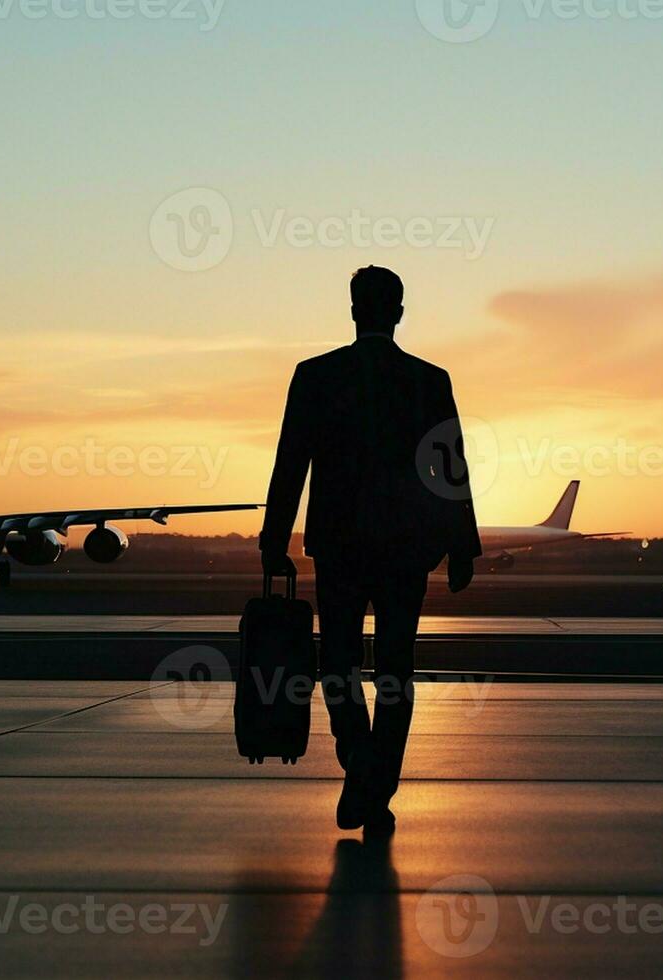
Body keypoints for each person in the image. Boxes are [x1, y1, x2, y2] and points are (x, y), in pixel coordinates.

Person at [260, 265, 481, 835]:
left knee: (336, 664)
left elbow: (291, 464)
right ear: (399, 312)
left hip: (339, 547)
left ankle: (359, 760)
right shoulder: (429, 380)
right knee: (396, 672)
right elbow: (451, 471)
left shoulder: (315, 376)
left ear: (354, 310)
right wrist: (462, 546)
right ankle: (376, 785)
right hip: (407, 549)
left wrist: (272, 539)